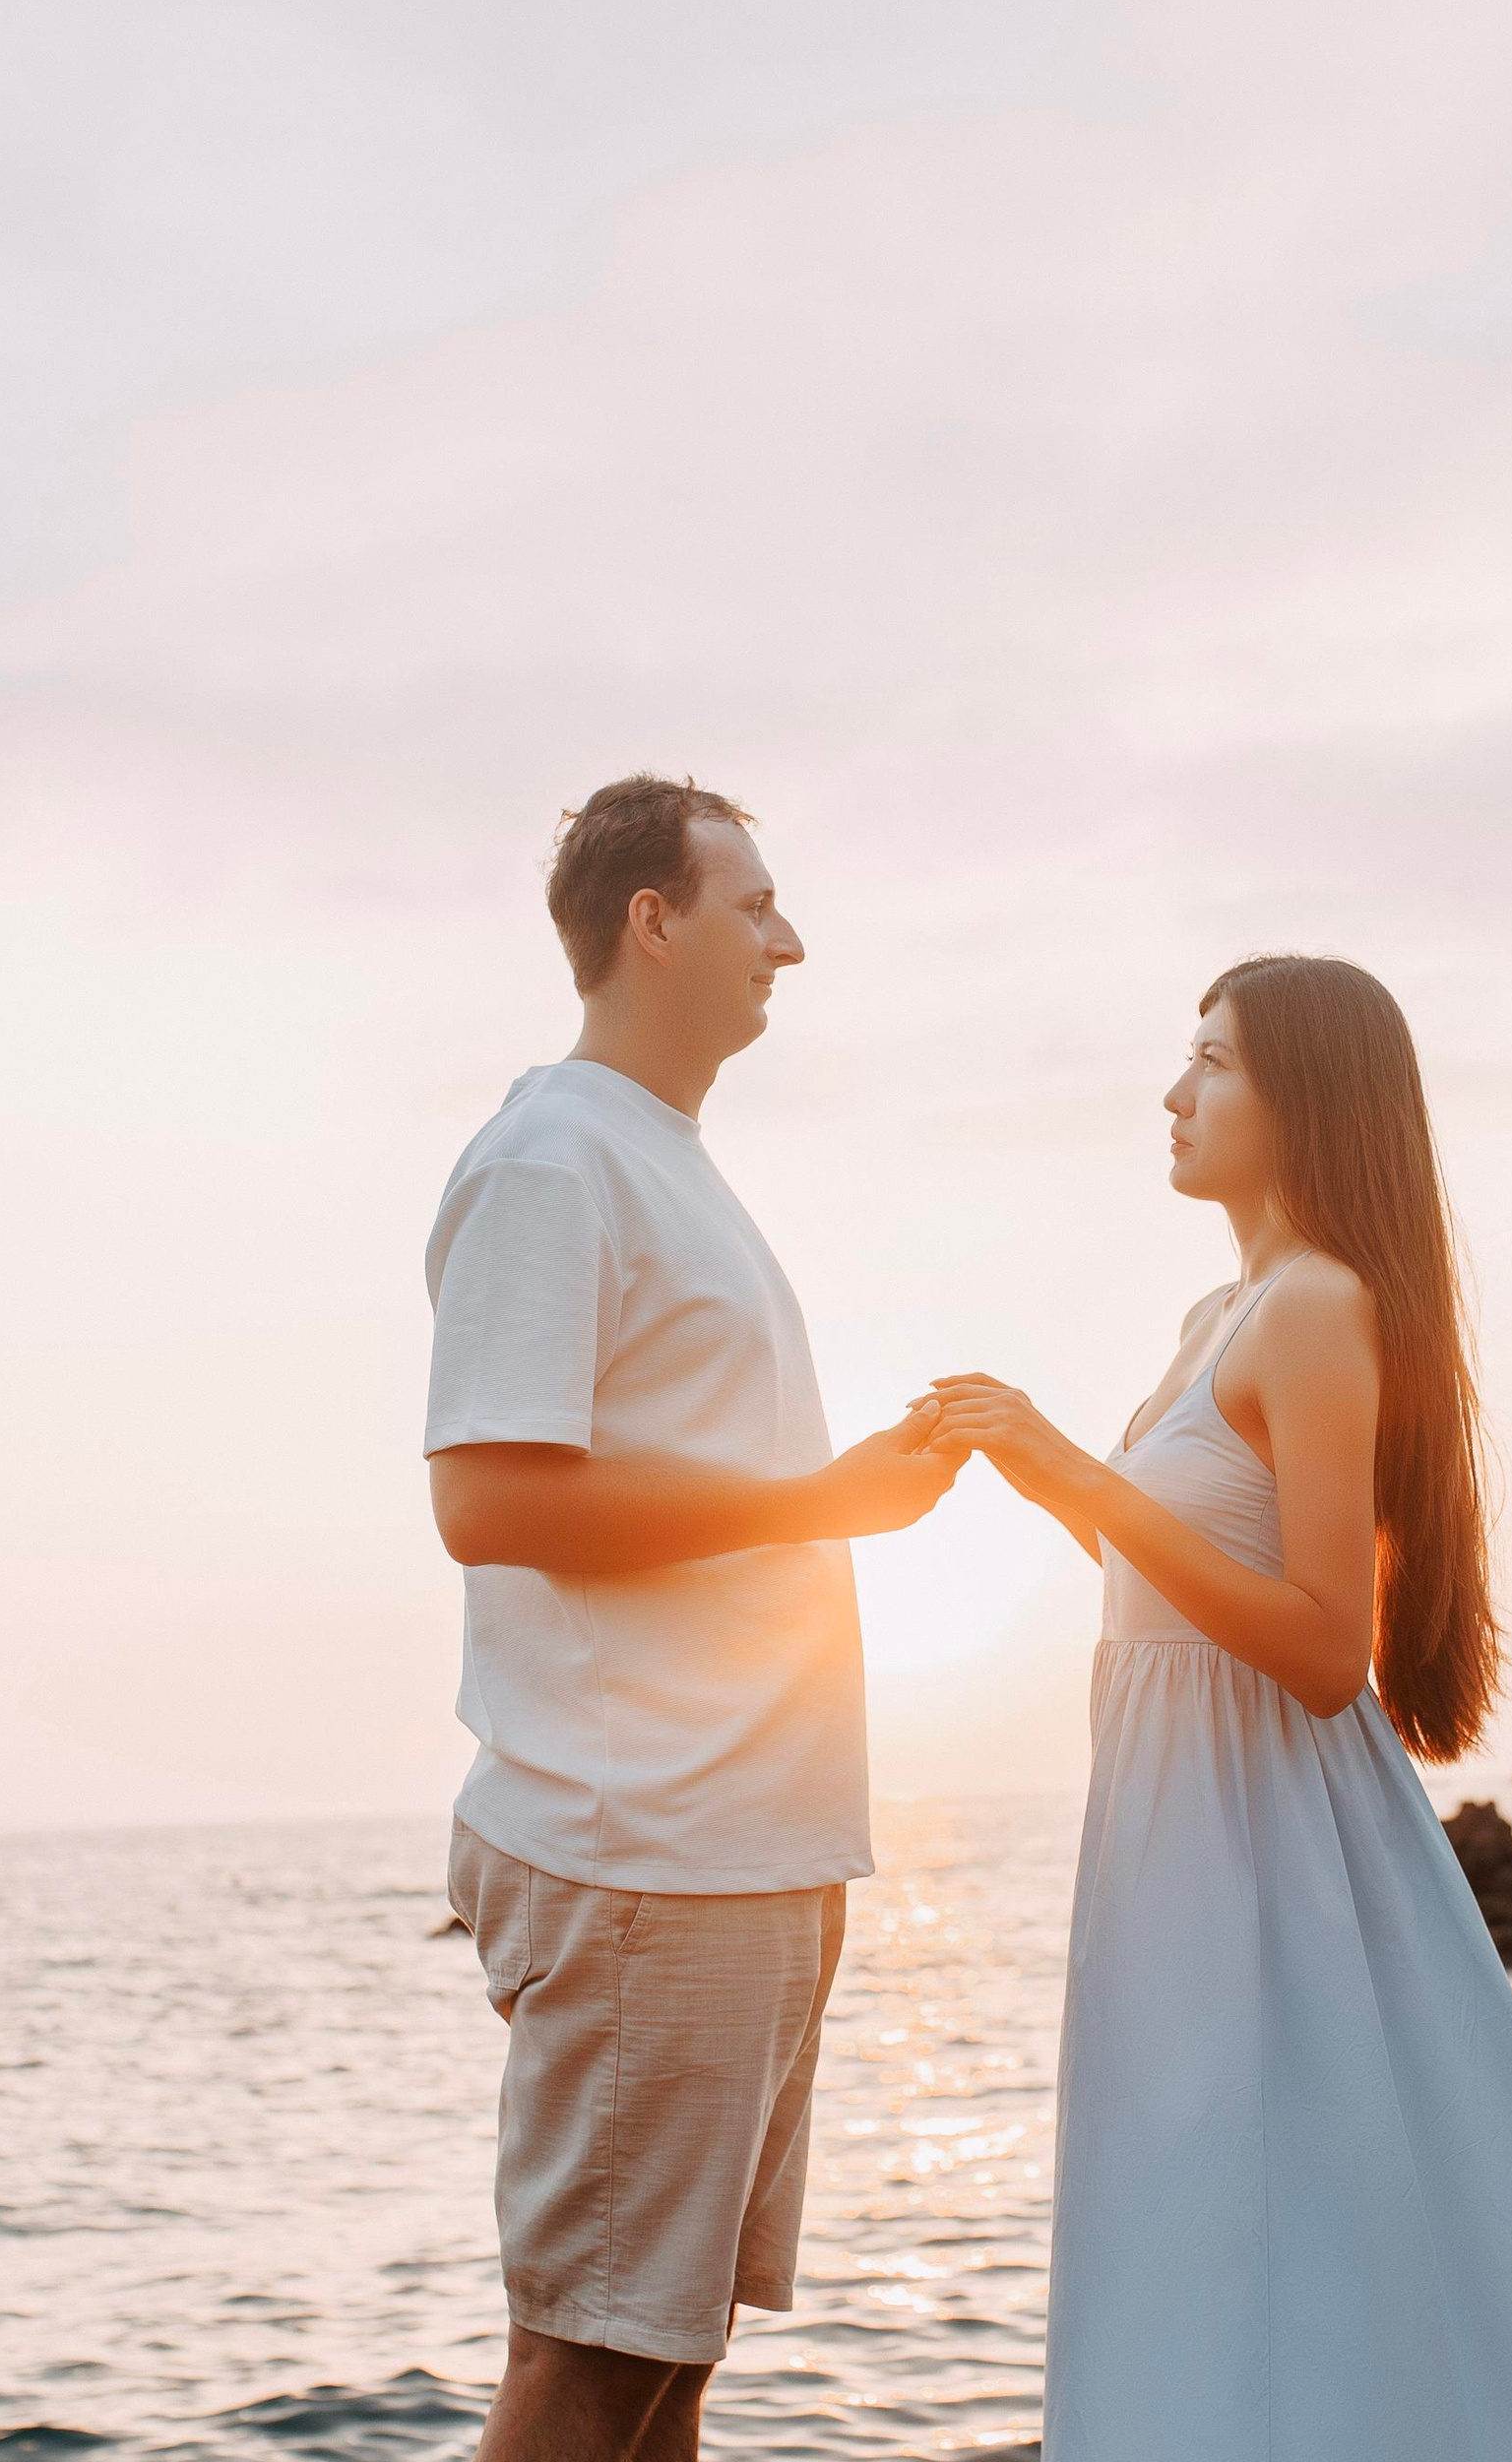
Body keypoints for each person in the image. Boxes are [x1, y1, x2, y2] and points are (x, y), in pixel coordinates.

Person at [923, 953, 1512, 2461]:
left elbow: (1327, 1643)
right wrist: (1040, 1476)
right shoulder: (1221, 1310)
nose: (1173, 1092)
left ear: (1307, 1099)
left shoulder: (1316, 1309)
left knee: (1278, 2225)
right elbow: (1182, 1579)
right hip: (1181, 1824)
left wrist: (1078, 1469)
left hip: (1265, 1836)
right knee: (1203, 2217)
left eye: (1210, 1062)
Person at [423, 776, 961, 2462]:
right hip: (644, 1847)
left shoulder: (656, 1159)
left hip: (739, 1850)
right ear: (650, 920)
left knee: (664, 2368)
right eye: (753, 907)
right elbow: (489, 1502)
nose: (788, 943)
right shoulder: (551, 1160)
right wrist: (824, 1500)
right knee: (591, 2364)